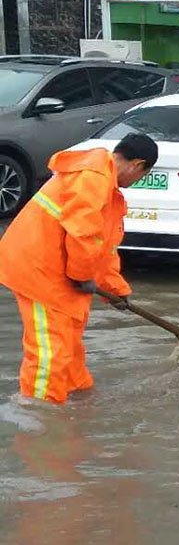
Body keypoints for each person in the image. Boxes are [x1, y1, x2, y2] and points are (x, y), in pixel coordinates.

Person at [0, 133, 158, 404]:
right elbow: (82, 233)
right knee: (49, 351)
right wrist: (82, 275)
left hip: (59, 271)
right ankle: (40, 416)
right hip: (40, 271)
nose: (137, 181)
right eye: (142, 176)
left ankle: (78, 400)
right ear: (137, 165)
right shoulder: (93, 177)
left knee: (69, 344)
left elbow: (103, 248)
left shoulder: (106, 187)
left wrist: (115, 289)